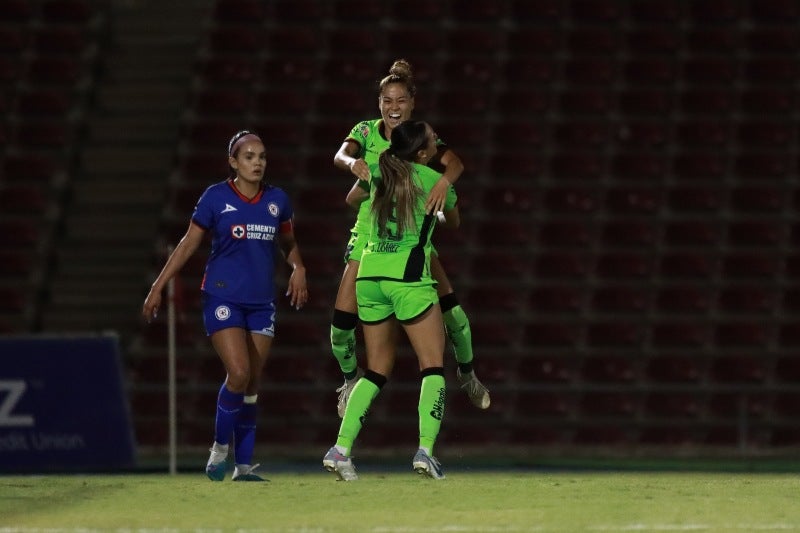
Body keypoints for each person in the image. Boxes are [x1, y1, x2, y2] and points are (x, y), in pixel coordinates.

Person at [142, 130, 308, 482]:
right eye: (249, 156)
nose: (257, 162)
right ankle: (219, 449)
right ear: (233, 162)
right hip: (222, 296)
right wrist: (158, 286)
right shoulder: (216, 197)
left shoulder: (278, 200)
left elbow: (289, 242)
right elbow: (188, 244)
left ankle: (243, 467)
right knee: (239, 373)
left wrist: (300, 268)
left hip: (261, 303)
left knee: (252, 385)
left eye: (261, 156)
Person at [330, 58, 489, 419]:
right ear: (379, 103)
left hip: (413, 239)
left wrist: (444, 184)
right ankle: (348, 381)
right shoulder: (367, 133)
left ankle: (468, 375)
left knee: (455, 314)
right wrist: (352, 166)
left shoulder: (419, 140)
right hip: (370, 241)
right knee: (339, 328)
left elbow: (456, 164)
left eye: (400, 100)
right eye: (387, 100)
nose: (393, 107)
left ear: (412, 102)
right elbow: (343, 166)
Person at [323, 120, 459, 481]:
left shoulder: (381, 172)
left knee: (377, 370)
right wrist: (441, 203)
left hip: (369, 274)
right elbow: (453, 221)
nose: (436, 142)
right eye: (432, 140)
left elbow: (353, 199)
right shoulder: (432, 180)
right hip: (409, 278)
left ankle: (340, 450)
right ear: (423, 152)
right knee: (431, 365)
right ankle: (425, 452)